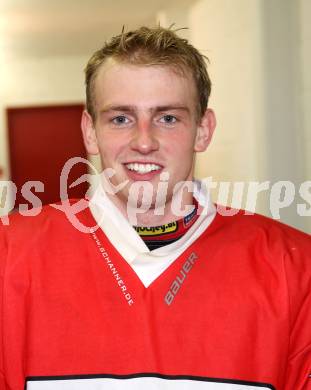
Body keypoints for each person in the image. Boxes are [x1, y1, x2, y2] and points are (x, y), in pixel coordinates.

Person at [0, 26, 310, 390]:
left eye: (168, 118)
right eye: (120, 118)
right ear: (89, 131)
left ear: (203, 130)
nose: (143, 141)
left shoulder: (294, 268)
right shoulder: (9, 256)